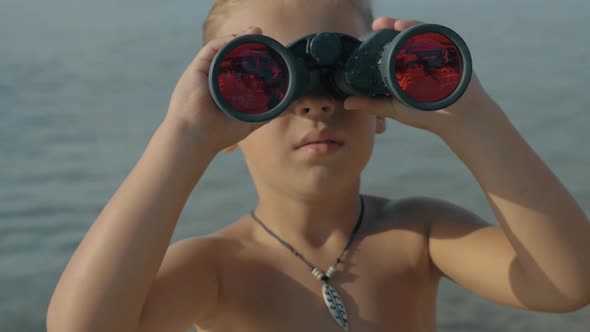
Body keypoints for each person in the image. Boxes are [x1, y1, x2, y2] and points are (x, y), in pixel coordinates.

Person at [46, 0, 590, 331]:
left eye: (341, 75)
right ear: (227, 122)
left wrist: (469, 114)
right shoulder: (217, 268)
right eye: (264, 78)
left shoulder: (419, 234)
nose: (314, 102)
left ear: (378, 106)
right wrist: (184, 137)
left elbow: (566, 284)